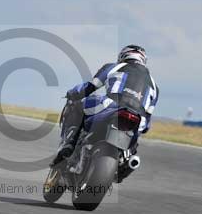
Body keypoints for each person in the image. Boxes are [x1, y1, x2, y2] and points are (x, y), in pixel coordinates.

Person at [51, 45, 159, 174]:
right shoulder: (154, 86)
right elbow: (147, 123)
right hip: (138, 118)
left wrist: (72, 93)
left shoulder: (114, 66)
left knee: (77, 106)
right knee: (137, 134)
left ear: (122, 56)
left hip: (111, 104)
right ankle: (128, 161)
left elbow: (90, 87)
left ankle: (69, 144)